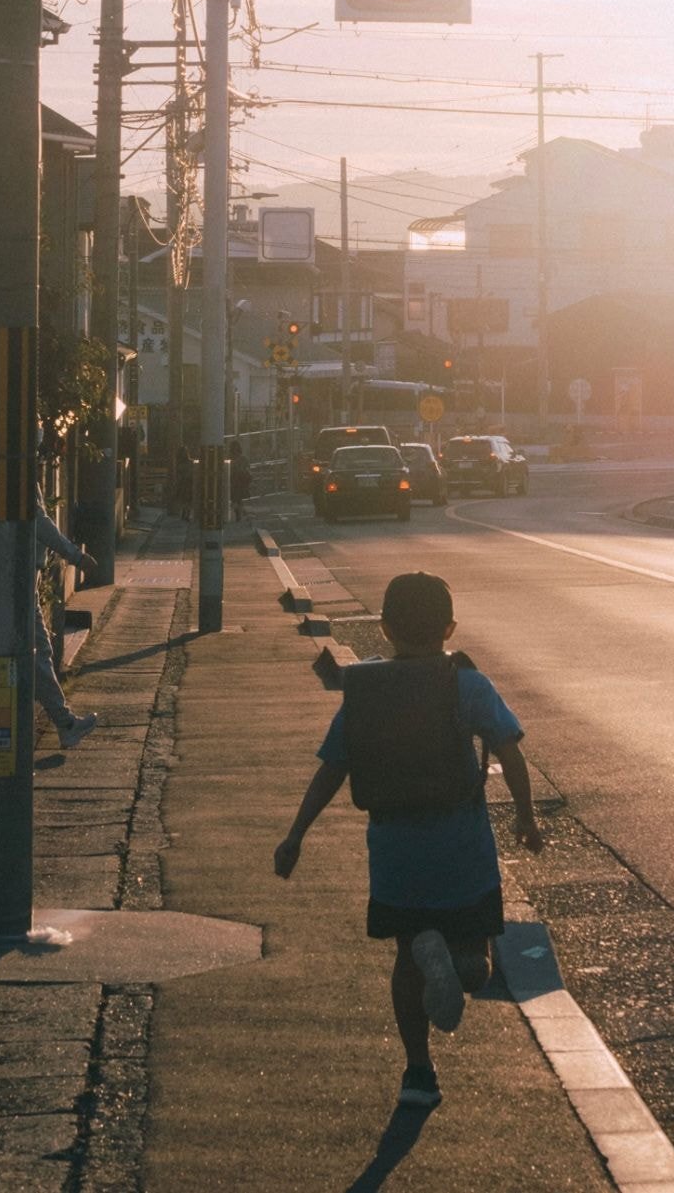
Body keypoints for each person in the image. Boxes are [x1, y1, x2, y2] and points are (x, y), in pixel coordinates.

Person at [274, 571, 543, 1112]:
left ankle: (418, 1070)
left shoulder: (367, 690)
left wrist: (295, 835)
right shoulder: (468, 684)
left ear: (386, 627)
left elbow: (333, 768)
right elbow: (510, 752)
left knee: (407, 960)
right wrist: (525, 817)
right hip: (462, 849)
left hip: (396, 851)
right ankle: (461, 964)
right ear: (450, 628)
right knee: (478, 959)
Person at [35, 485, 99, 749]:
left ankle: (64, 723)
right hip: (17, 577)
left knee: (39, 652)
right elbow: (39, 522)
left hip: (20, 575)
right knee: (38, 653)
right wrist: (76, 556)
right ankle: (65, 723)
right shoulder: (18, 468)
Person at [229, 439, 252, 521]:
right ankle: (239, 512)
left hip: (236, 482)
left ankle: (238, 512)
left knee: (237, 499)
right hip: (238, 482)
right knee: (238, 499)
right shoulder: (243, 459)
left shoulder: (231, 460)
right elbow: (247, 470)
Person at [174, 444, 195, 522]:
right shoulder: (191, 463)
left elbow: (179, 475)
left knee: (184, 499)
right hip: (189, 482)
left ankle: (184, 513)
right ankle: (186, 514)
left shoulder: (179, 464)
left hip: (184, 483)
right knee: (188, 500)